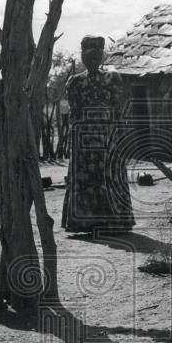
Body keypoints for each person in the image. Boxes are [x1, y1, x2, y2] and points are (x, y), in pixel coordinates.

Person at [61, 35, 135, 233]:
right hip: (86, 140)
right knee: (90, 178)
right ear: (83, 58)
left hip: (106, 138)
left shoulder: (112, 79)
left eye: (96, 56)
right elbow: (74, 114)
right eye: (88, 56)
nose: (92, 60)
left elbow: (118, 110)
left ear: (101, 57)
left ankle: (112, 222)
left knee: (108, 176)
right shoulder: (74, 82)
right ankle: (88, 222)